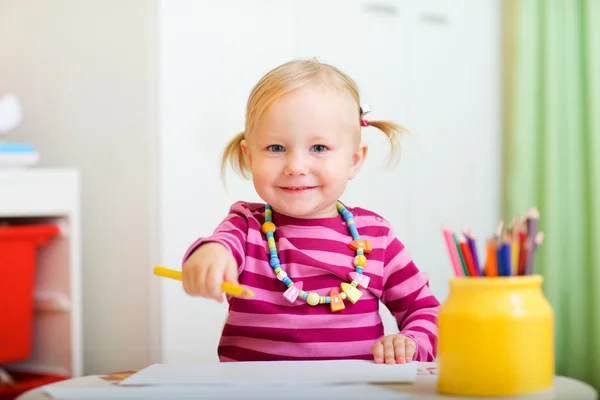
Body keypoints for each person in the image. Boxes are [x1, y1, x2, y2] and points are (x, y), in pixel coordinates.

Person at [181, 58, 440, 364]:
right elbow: (221, 246)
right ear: (250, 157)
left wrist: (410, 342)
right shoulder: (246, 226)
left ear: (354, 160)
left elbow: (426, 311)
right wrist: (208, 256)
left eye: (318, 148)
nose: (296, 167)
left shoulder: (376, 236)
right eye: (276, 148)